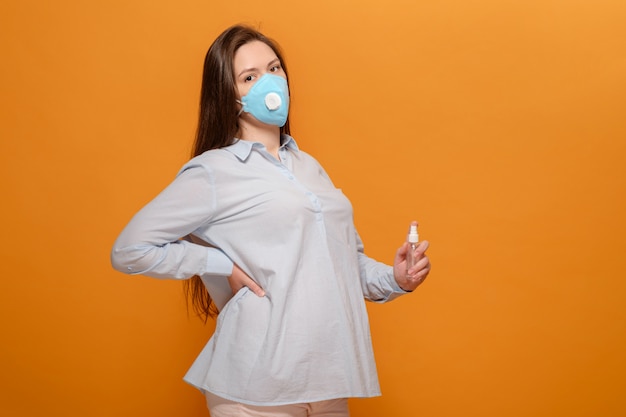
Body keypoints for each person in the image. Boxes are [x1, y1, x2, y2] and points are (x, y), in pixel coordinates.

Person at [110, 24, 431, 417]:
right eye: (250, 76)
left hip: (328, 378)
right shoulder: (213, 172)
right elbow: (129, 249)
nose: (269, 81)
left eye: (274, 68)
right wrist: (218, 265)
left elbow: (342, 264)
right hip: (254, 387)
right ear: (230, 100)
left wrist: (397, 280)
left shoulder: (311, 168)